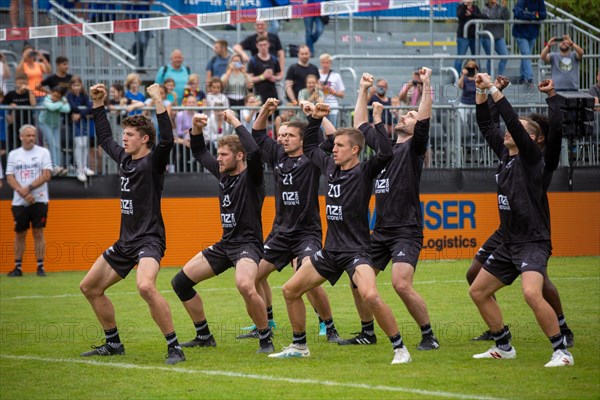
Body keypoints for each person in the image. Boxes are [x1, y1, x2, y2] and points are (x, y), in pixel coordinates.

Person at [268, 74, 411, 364]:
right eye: (334, 146)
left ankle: (400, 348)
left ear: (355, 150)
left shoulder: (365, 171)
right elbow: (310, 148)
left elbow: (384, 151)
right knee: (289, 290)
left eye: (340, 146)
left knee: (370, 295)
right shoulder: (329, 167)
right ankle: (299, 346)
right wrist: (315, 121)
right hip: (330, 251)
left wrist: (376, 121)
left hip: (356, 251)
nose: (333, 149)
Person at [470, 73, 573, 367]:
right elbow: (486, 124)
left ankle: (561, 351)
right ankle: (503, 346)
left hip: (532, 241)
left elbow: (511, 121)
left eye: (518, 130)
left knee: (531, 292)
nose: (507, 132)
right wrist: (481, 93)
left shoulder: (532, 158)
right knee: (477, 290)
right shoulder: (506, 154)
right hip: (509, 241)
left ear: (533, 139)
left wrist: (494, 89)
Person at [79, 82, 185, 365]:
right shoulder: (124, 159)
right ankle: (113, 344)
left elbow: (168, 140)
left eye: (129, 135)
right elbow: (104, 137)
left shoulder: (153, 162)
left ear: (145, 140)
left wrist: (158, 100)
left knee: (146, 287)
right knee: (89, 287)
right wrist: (98, 103)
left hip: (149, 239)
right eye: (123, 134)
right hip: (125, 241)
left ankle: (174, 347)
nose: (123, 139)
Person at [340, 67, 439, 351]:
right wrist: (362, 90)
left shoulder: (414, 148)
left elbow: (424, 115)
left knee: (401, 284)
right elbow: (360, 125)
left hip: (406, 230)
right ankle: (367, 332)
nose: (405, 116)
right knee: (357, 280)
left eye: (409, 115)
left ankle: (428, 335)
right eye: (404, 114)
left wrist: (427, 83)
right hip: (380, 231)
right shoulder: (385, 150)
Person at [171, 110, 275, 355]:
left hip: (248, 246)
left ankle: (265, 338)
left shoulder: (252, 177)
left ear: (239, 156)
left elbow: (256, 152)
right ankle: (204, 336)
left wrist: (236, 122)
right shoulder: (222, 174)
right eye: (218, 155)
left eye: (224, 155)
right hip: (225, 245)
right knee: (180, 283)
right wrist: (196, 127)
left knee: (246, 286)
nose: (219, 159)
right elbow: (198, 150)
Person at [239, 98, 340, 342]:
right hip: (281, 233)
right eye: (281, 135)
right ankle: (267, 322)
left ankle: (329, 326)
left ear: (303, 140)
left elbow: (336, 138)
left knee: (307, 279)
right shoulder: (278, 154)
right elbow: (258, 133)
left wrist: (317, 114)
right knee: (252, 277)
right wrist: (265, 109)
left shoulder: (313, 156)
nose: (283, 139)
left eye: (289, 136)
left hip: (307, 232)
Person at [5, 125, 52, 277]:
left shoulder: (43, 152)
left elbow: (47, 174)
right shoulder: (13, 154)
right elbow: (10, 176)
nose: (31, 138)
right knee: (20, 233)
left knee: (39, 232)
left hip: (40, 199)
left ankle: (40, 267)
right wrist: (23, 192)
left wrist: (29, 188)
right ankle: (17, 267)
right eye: (28, 135)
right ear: (21, 137)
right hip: (19, 201)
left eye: (33, 135)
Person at [67, 75, 95, 182]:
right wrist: (83, 113)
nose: (76, 87)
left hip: (83, 122)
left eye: (78, 85)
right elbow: (73, 106)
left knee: (85, 144)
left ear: (81, 85)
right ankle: (79, 170)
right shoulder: (69, 95)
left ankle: (84, 167)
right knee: (79, 144)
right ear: (71, 86)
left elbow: (90, 106)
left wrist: (80, 115)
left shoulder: (83, 95)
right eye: (74, 85)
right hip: (74, 124)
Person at [513, 0, 547, 87]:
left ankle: (522, 76)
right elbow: (517, 13)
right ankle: (529, 78)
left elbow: (543, 15)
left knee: (526, 55)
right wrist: (534, 15)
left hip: (533, 33)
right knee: (526, 54)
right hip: (520, 33)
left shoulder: (540, 1)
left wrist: (528, 14)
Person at [38, 86, 70, 176]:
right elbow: (50, 107)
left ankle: (58, 166)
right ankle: (54, 167)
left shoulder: (63, 99)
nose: (54, 97)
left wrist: (57, 104)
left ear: (60, 96)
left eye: (57, 96)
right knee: (51, 143)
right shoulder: (48, 97)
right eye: (54, 95)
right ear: (51, 93)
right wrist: (60, 103)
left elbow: (67, 109)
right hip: (45, 123)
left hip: (55, 124)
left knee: (57, 145)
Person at [247, 36, 283, 103]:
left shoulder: (274, 59)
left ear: (268, 45)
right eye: (261, 45)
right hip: (259, 94)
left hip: (273, 93)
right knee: (261, 113)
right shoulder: (253, 60)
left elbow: (280, 76)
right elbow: (249, 79)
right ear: (257, 46)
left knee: (275, 112)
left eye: (264, 45)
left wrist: (273, 77)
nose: (263, 47)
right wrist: (263, 76)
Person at [3, 73, 36, 146]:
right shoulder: (10, 94)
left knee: (28, 145)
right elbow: (3, 105)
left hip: (28, 124)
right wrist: (10, 105)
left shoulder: (29, 93)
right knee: (13, 145)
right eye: (19, 83)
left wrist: (30, 90)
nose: (21, 85)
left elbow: (33, 104)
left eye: (23, 83)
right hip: (14, 126)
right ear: (15, 83)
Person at [454, 0, 486, 74]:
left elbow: (482, 17)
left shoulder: (475, 8)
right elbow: (459, 15)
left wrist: (471, 14)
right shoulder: (461, 7)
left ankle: (478, 77)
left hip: (475, 36)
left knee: (476, 58)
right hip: (463, 36)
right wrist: (465, 6)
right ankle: (456, 77)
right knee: (460, 57)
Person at [481, 0, 510, 75]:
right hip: (487, 37)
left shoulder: (500, 8)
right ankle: (489, 78)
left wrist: (504, 7)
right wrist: (495, 7)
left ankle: (500, 77)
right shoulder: (485, 8)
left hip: (499, 37)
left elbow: (507, 17)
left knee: (505, 56)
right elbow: (492, 18)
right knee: (490, 58)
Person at [318, 53, 345, 127]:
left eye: (327, 62)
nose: (325, 65)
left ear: (330, 63)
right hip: (319, 106)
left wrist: (332, 91)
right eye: (323, 62)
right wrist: (319, 88)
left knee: (331, 130)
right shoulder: (316, 74)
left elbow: (342, 94)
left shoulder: (336, 76)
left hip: (332, 107)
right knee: (320, 131)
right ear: (320, 63)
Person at [458, 60, 479, 125]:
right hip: (465, 103)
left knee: (476, 122)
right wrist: (463, 75)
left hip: (475, 104)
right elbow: (460, 86)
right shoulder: (464, 78)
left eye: (472, 68)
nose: (470, 70)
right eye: (469, 68)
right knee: (464, 122)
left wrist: (477, 75)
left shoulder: (478, 78)